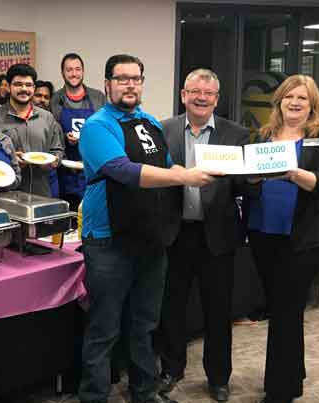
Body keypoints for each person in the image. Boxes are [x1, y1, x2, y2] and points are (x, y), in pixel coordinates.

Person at [78, 54, 220, 403]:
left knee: (144, 325)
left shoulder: (149, 122)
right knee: (104, 330)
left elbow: (169, 166)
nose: (130, 85)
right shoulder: (98, 126)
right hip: (108, 242)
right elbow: (124, 171)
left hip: (149, 240)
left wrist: (218, 168)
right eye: (122, 78)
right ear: (108, 83)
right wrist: (184, 176)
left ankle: (145, 392)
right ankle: (94, 396)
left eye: (136, 78)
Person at [157, 69, 255, 402]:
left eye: (208, 93)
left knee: (218, 309)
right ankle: (171, 368)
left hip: (218, 235)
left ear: (217, 97)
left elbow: (245, 186)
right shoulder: (163, 129)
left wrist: (250, 175)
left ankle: (218, 378)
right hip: (175, 233)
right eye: (195, 91)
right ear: (183, 94)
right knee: (171, 306)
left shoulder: (237, 133)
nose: (201, 97)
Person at [245, 75, 319, 403]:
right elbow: (247, 183)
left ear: (312, 104)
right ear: (280, 101)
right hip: (263, 232)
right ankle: (293, 373)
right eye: (289, 97)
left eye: (303, 98)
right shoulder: (263, 135)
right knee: (281, 307)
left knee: (286, 310)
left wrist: (292, 170)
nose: (295, 103)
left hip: (303, 237)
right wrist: (252, 177)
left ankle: (280, 390)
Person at [0, 63, 63, 197]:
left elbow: (57, 150)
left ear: (34, 87)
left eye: (28, 85)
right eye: (18, 84)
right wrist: (10, 161)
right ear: (8, 86)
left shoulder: (47, 117)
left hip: (41, 194)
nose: (24, 89)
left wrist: (53, 161)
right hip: (5, 196)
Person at [51, 53, 105, 210]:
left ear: (83, 71)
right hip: (64, 172)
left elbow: (106, 129)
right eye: (69, 70)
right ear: (62, 73)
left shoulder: (98, 98)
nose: (73, 74)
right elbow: (50, 133)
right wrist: (63, 137)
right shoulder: (55, 100)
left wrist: (87, 138)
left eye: (77, 69)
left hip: (93, 170)